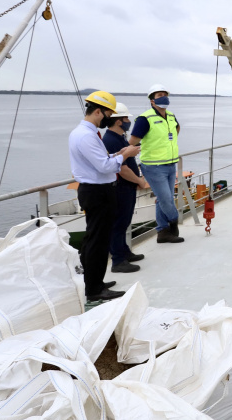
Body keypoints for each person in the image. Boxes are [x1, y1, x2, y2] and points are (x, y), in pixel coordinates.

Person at [68, 91, 140, 302]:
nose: (108, 119)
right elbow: (103, 166)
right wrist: (125, 155)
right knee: (98, 242)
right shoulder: (86, 136)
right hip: (97, 192)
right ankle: (94, 290)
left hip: (96, 190)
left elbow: (103, 159)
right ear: (98, 111)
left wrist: (119, 153)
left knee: (95, 239)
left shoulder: (84, 133)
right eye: (108, 114)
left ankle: (95, 281)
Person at [129, 84, 184, 244]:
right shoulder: (145, 119)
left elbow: (177, 129)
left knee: (162, 199)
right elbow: (132, 142)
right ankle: (174, 223)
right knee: (166, 200)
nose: (163, 97)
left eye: (165, 94)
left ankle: (162, 232)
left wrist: (168, 143)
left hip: (170, 164)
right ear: (152, 101)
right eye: (159, 95)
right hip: (153, 166)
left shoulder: (171, 116)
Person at [103, 102, 149, 273]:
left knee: (124, 222)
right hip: (120, 187)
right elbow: (122, 169)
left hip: (126, 187)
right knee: (119, 223)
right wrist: (139, 181)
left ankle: (124, 252)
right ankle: (118, 260)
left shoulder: (119, 138)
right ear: (118, 121)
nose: (129, 122)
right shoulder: (110, 140)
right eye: (126, 119)